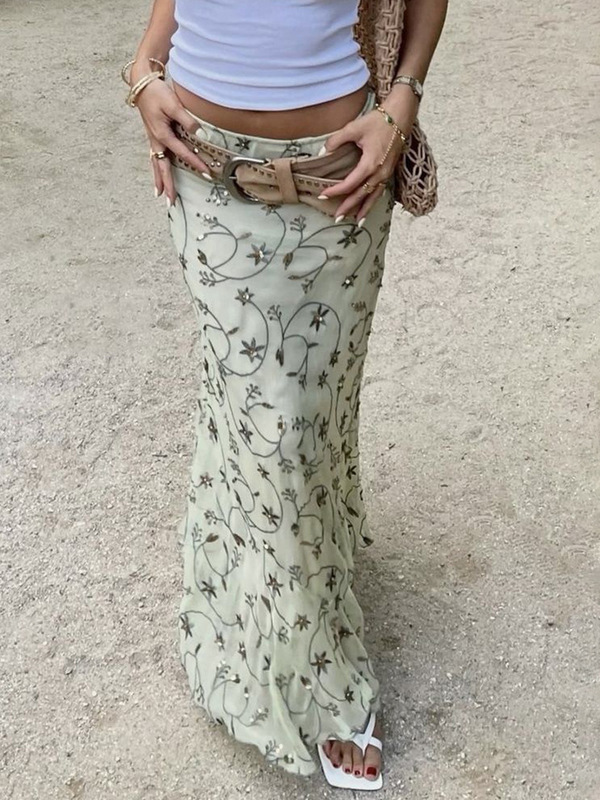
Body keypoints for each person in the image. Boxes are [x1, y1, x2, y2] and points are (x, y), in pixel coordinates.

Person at [124, 0, 447, 789]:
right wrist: (143, 71)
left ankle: (298, 584)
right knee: (258, 415)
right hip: (204, 172)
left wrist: (402, 101)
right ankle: (316, 671)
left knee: (309, 414)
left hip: (338, 181)